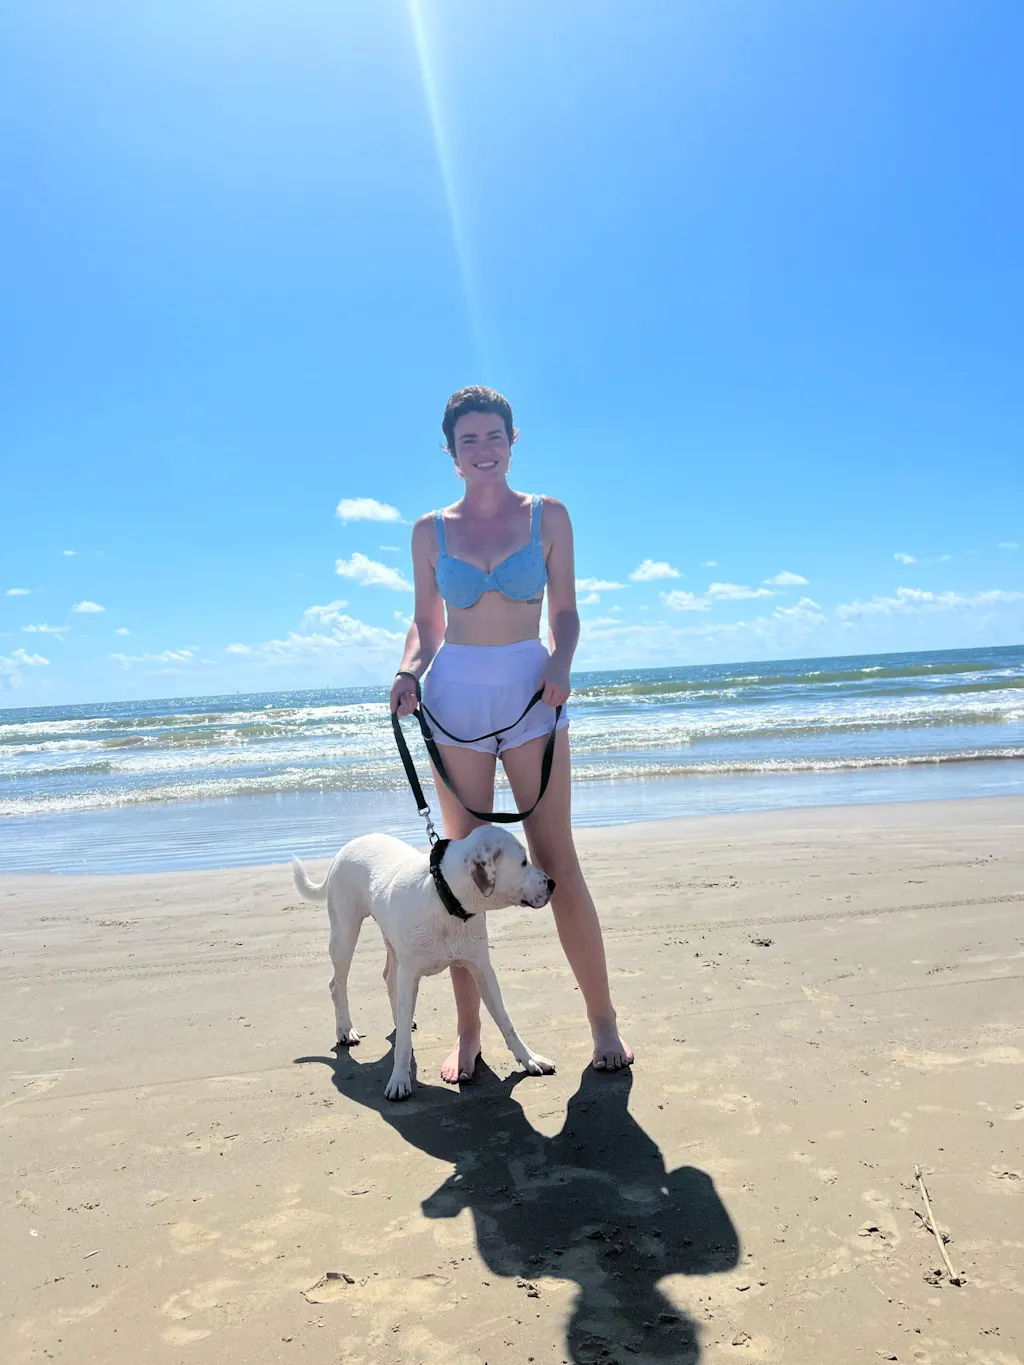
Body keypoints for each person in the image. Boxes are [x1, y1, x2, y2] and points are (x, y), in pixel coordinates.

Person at [390, 386, 633, 1082]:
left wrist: (561, 663)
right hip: (455, 702)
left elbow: (567, 614)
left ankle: (603, 1021)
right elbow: (427, 625)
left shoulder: (548, 515)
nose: (483, 449)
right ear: (451, 452)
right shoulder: (429, 531)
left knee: (557, 858)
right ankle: (469, 1035)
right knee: (462, 877)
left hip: (533, 694)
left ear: (512, 440)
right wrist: (407, 671)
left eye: (494, 436)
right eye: (469, 440)